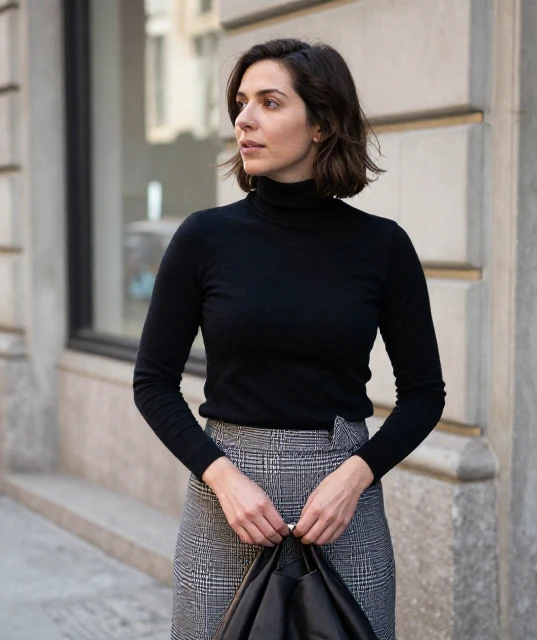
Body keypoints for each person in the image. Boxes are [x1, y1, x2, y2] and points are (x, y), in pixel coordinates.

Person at [133, 38, 445, 640]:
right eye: (241, 103)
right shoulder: (204, 238)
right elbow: (152, 383)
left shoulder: (382, 246)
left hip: (342, 505)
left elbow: (425, 394)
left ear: (323, 123)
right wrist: (221, 478)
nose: (244, 119)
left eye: (269, 102)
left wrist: (356, 476)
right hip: (226, 503)